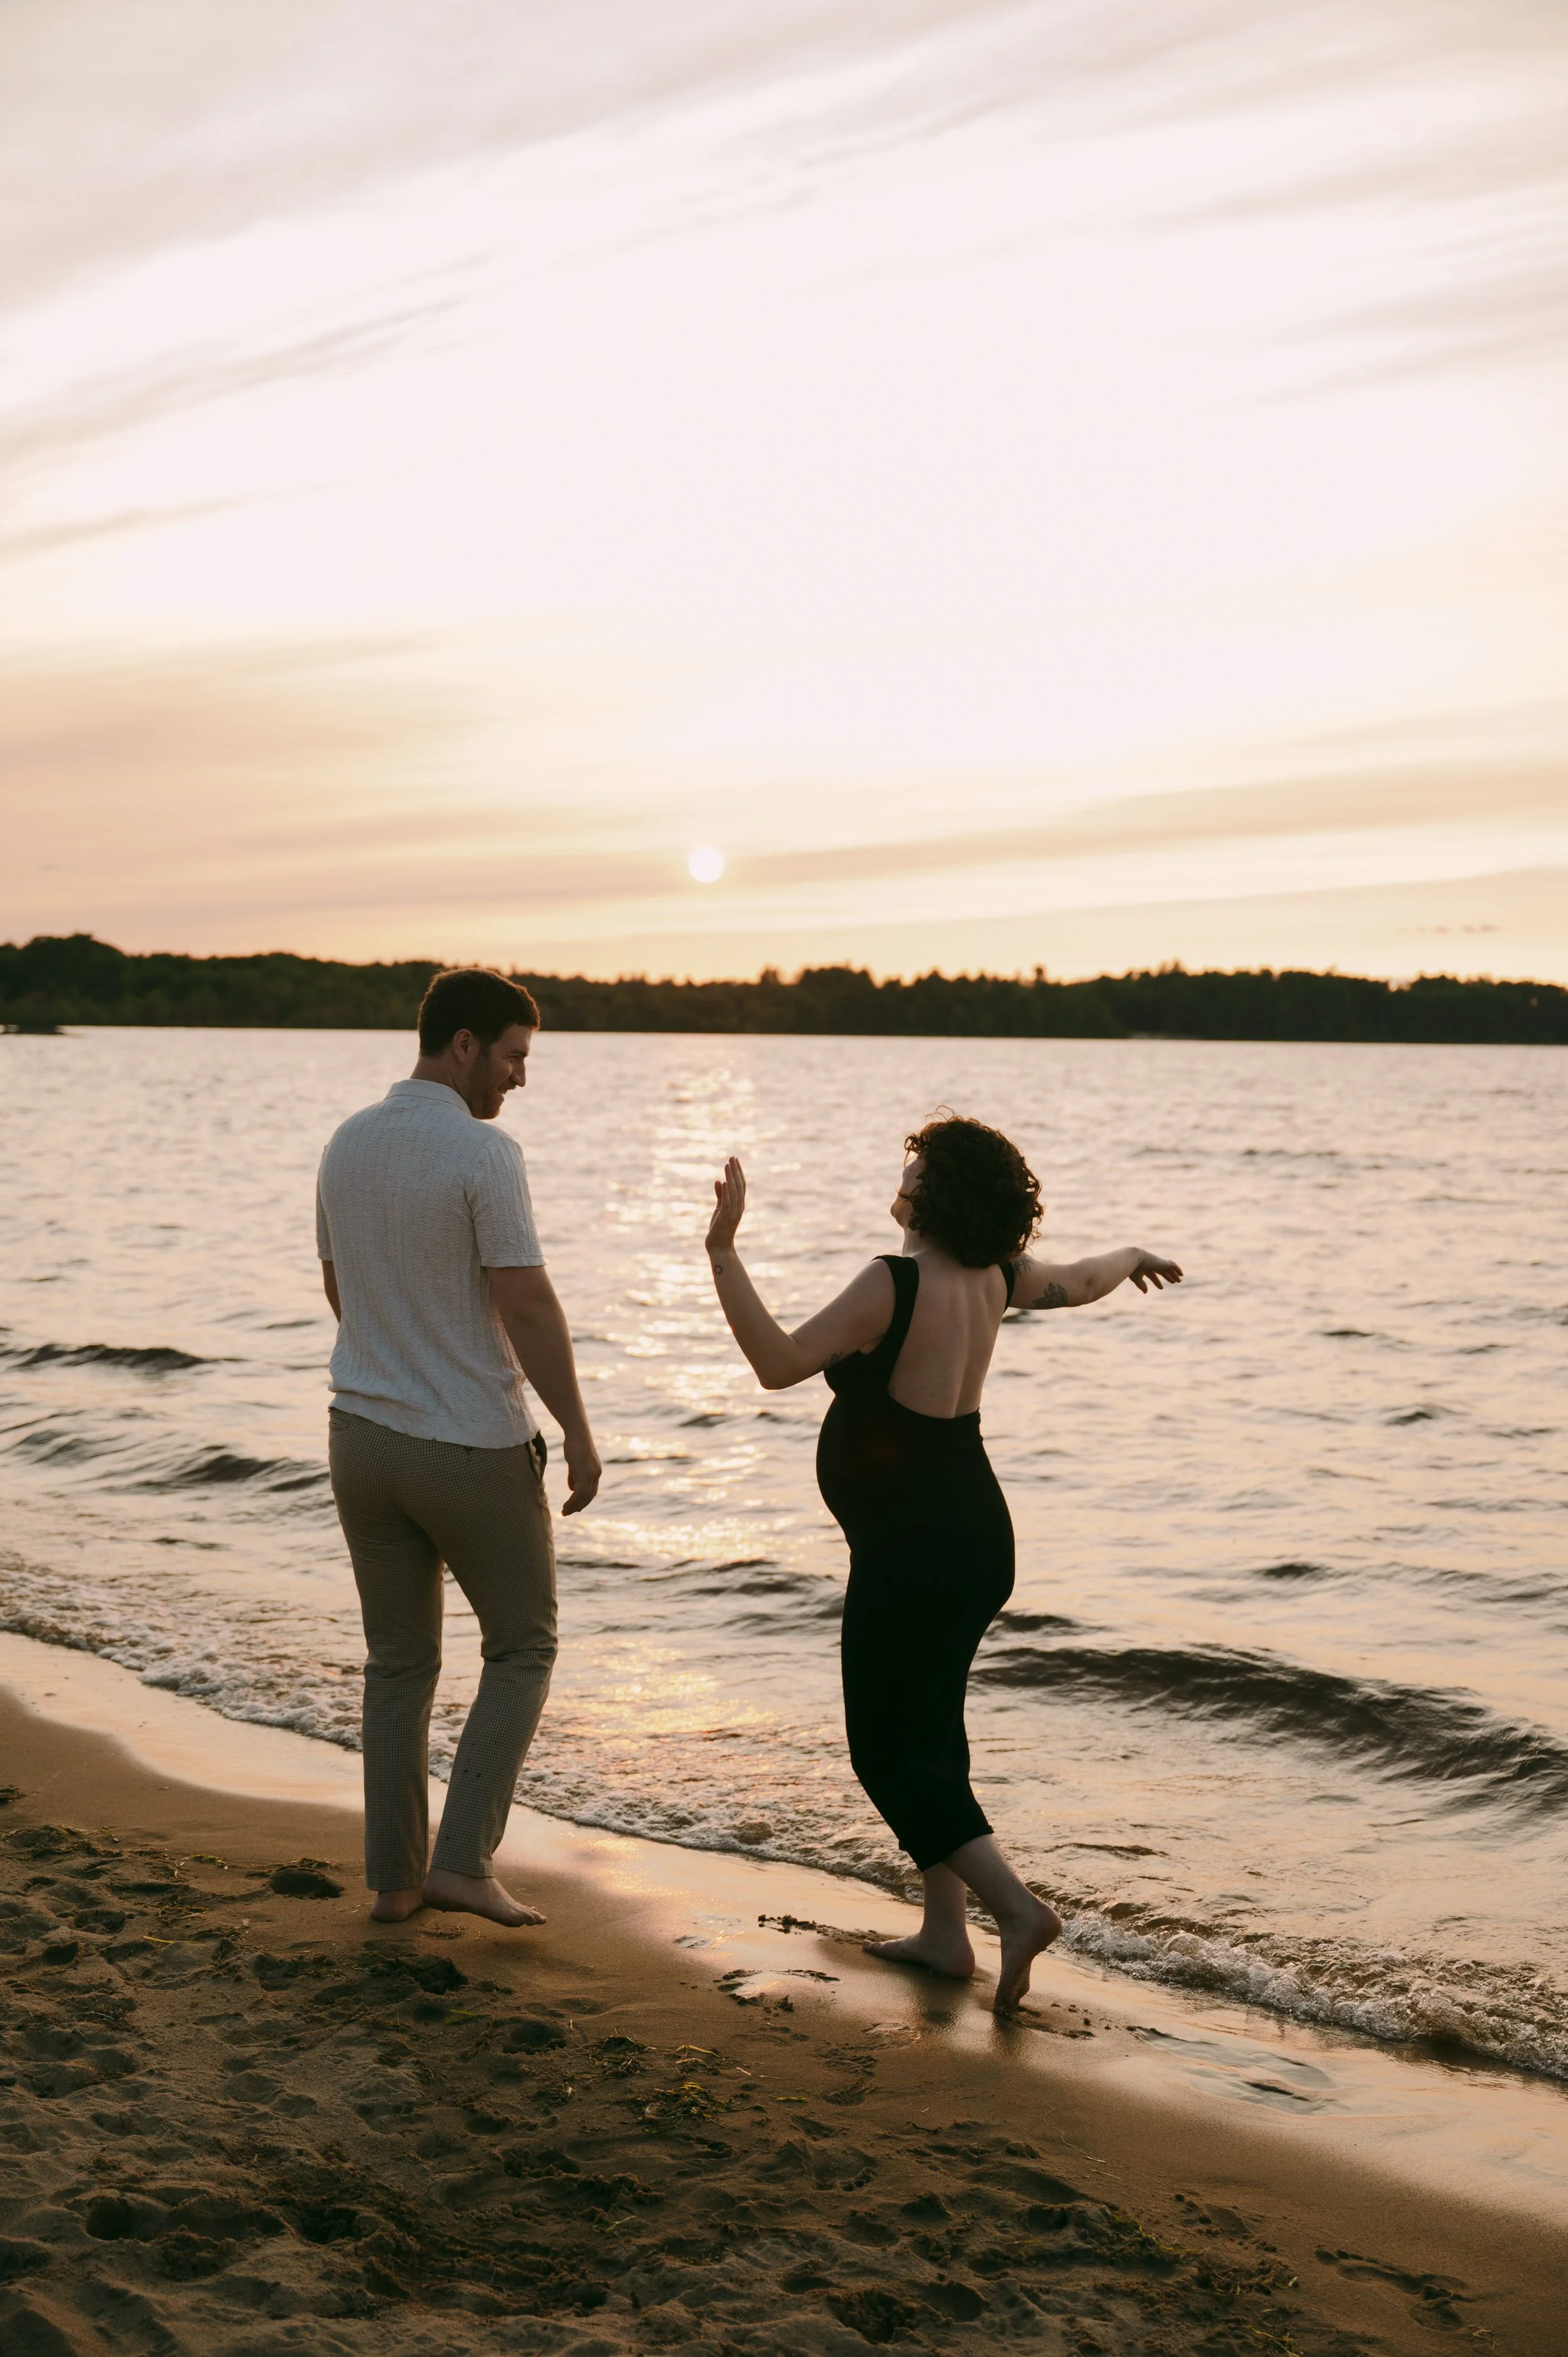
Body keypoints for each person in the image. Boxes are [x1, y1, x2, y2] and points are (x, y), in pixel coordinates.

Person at [704, 1116, 1181, 2013]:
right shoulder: (1000, 1277)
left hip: (915, 1549)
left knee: (885, 1753)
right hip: (973, 1538)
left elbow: (775, 1364)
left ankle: (1015, 1908)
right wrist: (1133, 1252)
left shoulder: (893, 1283)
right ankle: (944, 1934)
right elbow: (1082, 1281)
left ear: (942, 1189)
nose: (906, 1176)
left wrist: (723, 1252)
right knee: (934, 1737)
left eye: (917, 1167)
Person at [317, 967, 601, 1927]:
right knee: (523, 1647)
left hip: (360, 1439)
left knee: (399, 1666)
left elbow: (340, 1291)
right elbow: (527, 1304)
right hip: (467, 1447)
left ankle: (396, 1884)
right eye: (515, 1055)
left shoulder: (347, 1142)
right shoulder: (485, 1154)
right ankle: (464, 1864)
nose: (521, 1077)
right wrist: (578, 1432)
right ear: (467, 1045)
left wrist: (398, 1344)